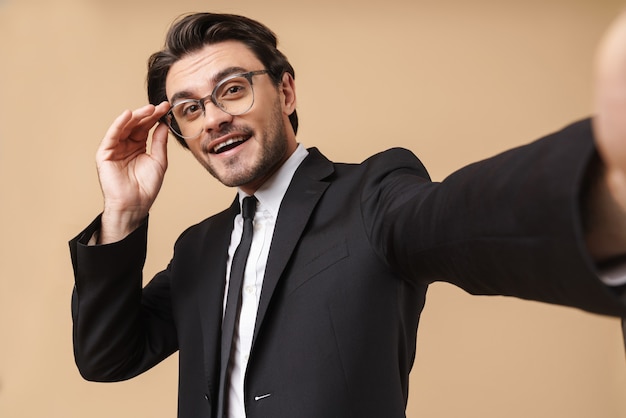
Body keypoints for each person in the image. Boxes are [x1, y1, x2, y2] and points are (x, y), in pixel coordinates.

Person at [69, 11, 626, 418]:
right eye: (190, 109)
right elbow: (108, 357)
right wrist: (124, 211)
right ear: (182, 135)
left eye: (232, 90)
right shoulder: (198, 248)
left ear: (285, 91)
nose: (213, 118)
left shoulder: (372, 192)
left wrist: (603, 191)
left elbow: (453, 218)